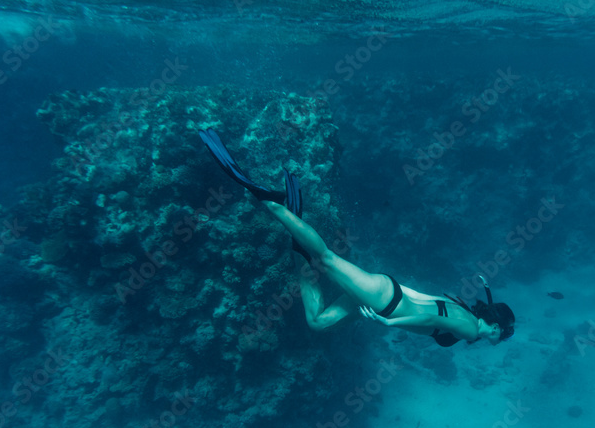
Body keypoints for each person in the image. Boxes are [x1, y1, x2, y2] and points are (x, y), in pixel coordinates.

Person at [199, 129, 515, 346]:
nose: (496, 343)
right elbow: (430, 314)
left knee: (318, 322)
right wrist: (388, 323)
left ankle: (296, 241)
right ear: (497, 328)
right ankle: (266, 199)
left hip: (385, 294)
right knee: (326, 258)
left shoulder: (465, 312)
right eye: (500, 338)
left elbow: (426, 301)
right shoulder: (471, 330)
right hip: (383, 301)